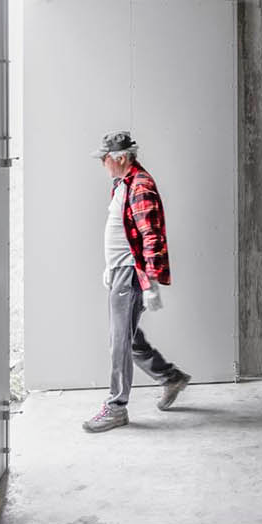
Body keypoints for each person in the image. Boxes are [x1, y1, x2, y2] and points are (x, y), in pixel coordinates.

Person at [83, 130, 191, 432]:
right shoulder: (122, 183)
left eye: (104, 158)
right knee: (126, 337)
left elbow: (151, 236)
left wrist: (150, 282)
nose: (102, 163)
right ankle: (170, 377)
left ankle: (116, 407)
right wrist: (111, 266)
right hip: (121, 271)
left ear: (120, 158)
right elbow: (124, 230)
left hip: (131, 274)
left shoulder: (140, 186)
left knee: (119, 341)